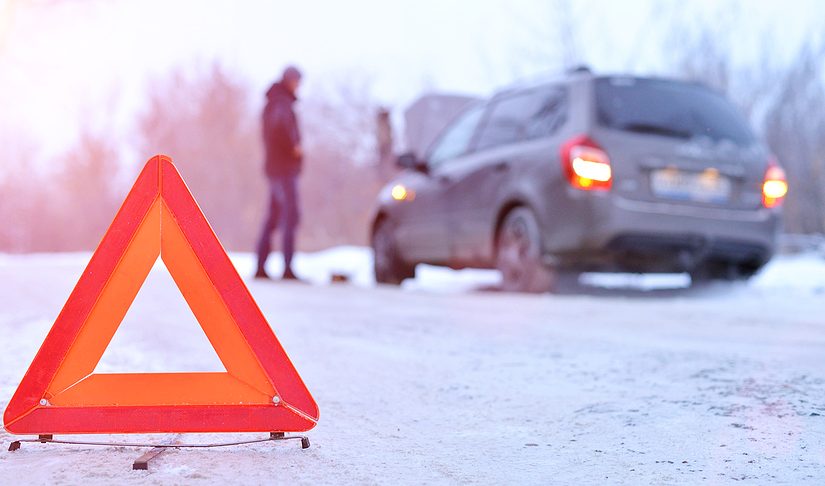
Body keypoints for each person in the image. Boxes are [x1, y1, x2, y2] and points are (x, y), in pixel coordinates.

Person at [255, 66, 303, 280]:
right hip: (283, 169)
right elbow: (280, 127)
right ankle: (287, 268)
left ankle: (261, 266)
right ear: (290, 80)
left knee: (274, 216)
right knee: (289, 215)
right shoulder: (281, 103)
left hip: (275, 168)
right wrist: (293, 146)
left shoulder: (275, 102)